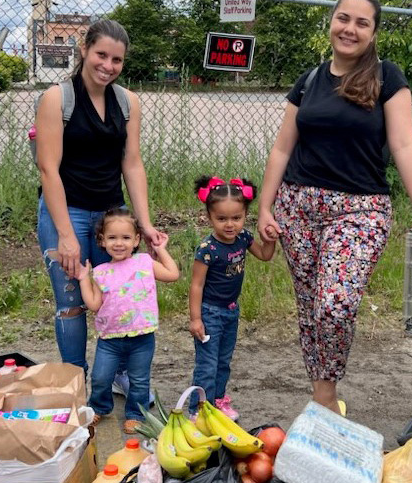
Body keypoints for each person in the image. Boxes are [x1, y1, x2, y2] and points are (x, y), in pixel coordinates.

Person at [256, 0, 412, 415]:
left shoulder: (387, 77)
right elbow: (281, 148)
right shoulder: (309, 81)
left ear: (373, 33)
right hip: (297, 207)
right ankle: (323, 393)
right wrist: (264, 208)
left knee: (335, 303)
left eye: (362, 23)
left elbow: (404, 143)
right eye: (343, 18)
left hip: (360, 211)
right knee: (310, 307)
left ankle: (328, 384)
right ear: (331, 22)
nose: (350, 29)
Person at [35, 19, 167, 379]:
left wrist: (145, 224)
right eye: (101, 55)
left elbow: (132, 163)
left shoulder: (128, 103)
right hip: (67, 212)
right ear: (84, 50)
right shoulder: (56, 99)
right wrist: (65, 235)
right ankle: (75, 378)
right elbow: (49, 170)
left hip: (112, 216)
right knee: (72, 302)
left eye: (117, 60)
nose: (108, 66)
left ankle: (122, 375)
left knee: (121, 293)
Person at [77, 207, 180, 433]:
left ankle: (135, 413)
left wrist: (161, 250)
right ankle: (99, 407)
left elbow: (173, 274)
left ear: (136, 240)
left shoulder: (144, 262)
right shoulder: (101, 271)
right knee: (101, 377)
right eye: (112, 238)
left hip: (142, 337)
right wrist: (84, 278)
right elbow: (94, 304)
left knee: (139, 380)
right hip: (110, 339)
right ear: (102, 241)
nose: (119, 243)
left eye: (125, 237)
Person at [187, 176, 276, 420]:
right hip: (209, 313)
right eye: (222, 218)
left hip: (230, 311)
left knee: (224, 362)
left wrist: (270, 240)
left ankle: (217, 402)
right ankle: (198, 410)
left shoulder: (244, 238)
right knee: (207, 365)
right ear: (209, 217)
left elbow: (265, 255)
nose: (230, 225)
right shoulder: (207, 249)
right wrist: (196, 319)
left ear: (245, 215)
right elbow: (196, 285)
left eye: (236, 218)